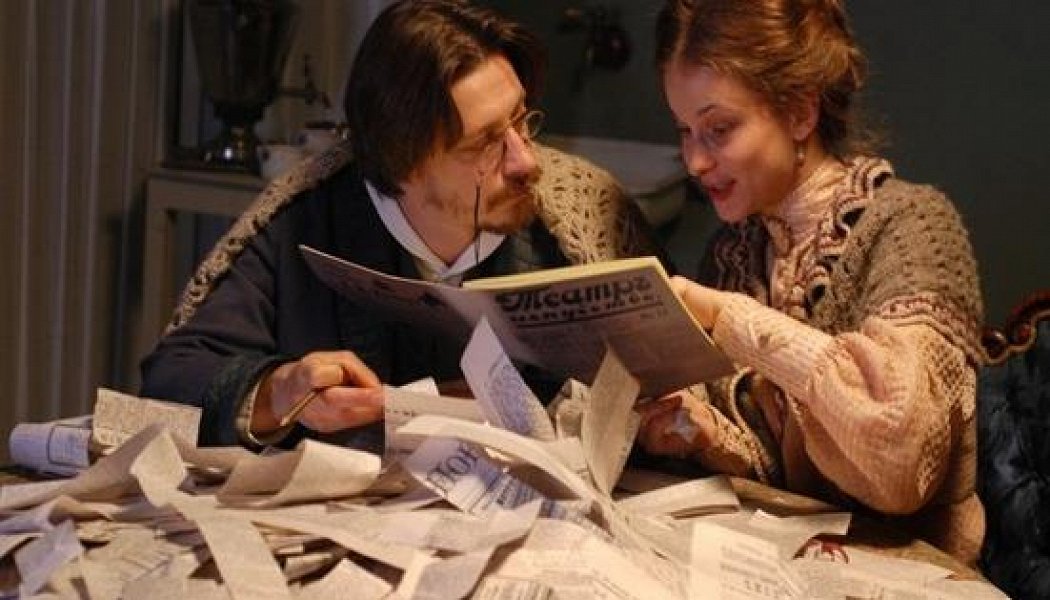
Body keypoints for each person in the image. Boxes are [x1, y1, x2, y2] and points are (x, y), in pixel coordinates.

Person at [140, 0, 662, 453]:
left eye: (522, 121)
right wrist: (277, 391)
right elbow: (172, 379)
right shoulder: (306, 218)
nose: (526, 161)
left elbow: (671, 387)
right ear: (403, 163)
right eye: (484, 144)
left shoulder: (584, 214)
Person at [636, 0, 985, 565]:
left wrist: (730, 318)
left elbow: (899, 455)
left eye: (718, 129)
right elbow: (785, 475)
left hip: (914, 571)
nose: (695, 161)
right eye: (685, 131)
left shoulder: (911, 225)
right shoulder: (735, 250)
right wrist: (707, 435)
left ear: (799, 112)